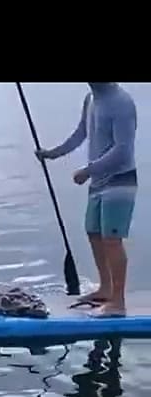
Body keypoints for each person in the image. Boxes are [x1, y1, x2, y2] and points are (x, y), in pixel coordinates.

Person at [36, 83, 137, 317]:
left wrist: (88, 170)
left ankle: (118, 303)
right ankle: (105, 288)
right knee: (93, 232)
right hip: (98, 182)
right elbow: (81, 133)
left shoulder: (121, 102)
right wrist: (52, 153)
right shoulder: (90, 98)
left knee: (112, 239)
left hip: (120, 180)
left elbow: (123, 149)